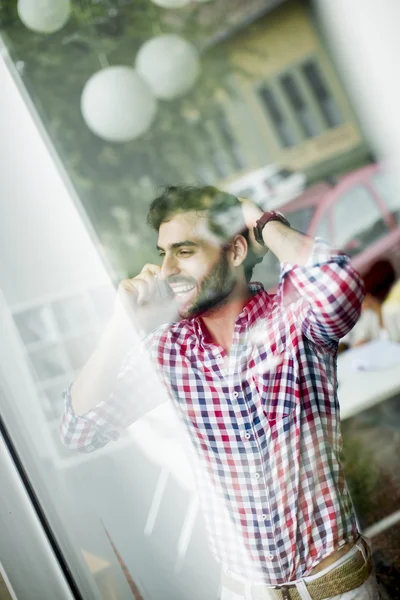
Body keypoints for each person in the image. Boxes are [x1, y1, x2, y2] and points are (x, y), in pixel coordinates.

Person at [60, 186, 379, 600]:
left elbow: (339, 288)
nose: (165, 268)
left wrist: (264, 223)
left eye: (185, 251)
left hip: (336, 589)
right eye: (163, 253)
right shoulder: (169, 352)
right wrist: (122, 326)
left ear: (234, 252)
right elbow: (78, 431)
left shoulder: (292, 315)